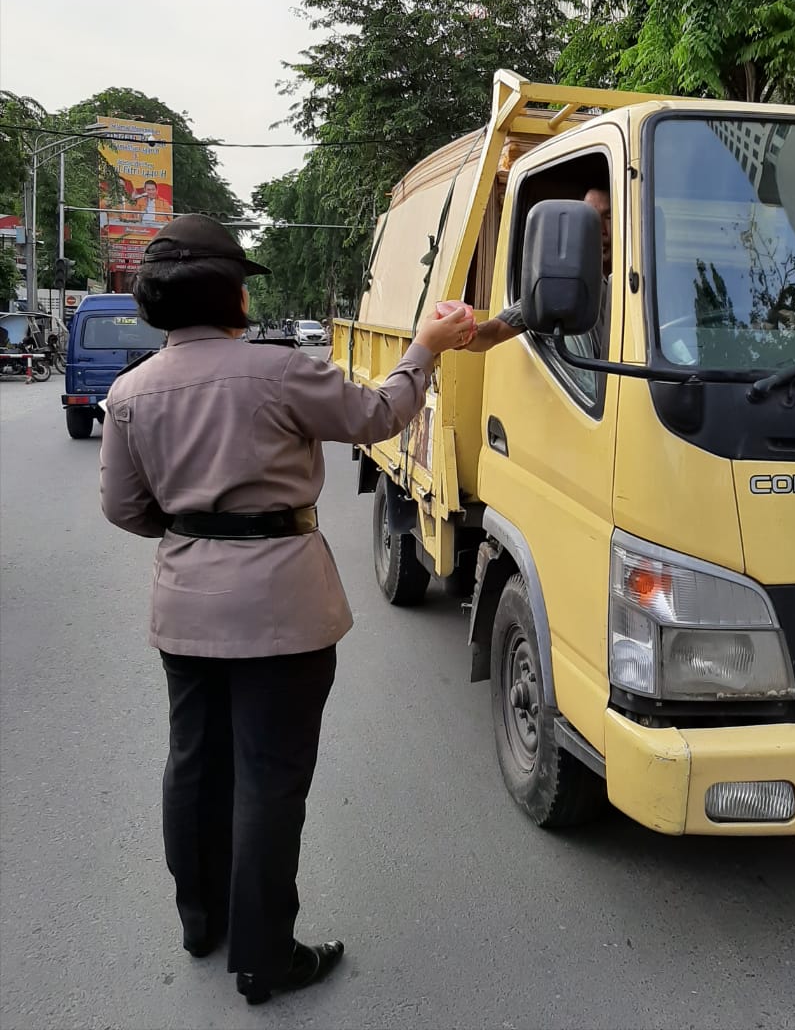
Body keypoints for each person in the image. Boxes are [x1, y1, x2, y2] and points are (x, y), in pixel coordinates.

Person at [98, 214, 474, 1006]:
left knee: (193, 765)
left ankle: (202, 922)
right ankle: (266, 957)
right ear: (232, 296)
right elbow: (377, 418)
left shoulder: (128, 393)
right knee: (269, 780)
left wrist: (196, 530)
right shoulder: (278, 371)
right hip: (283, 609)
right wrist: (426, 349)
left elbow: (126, 510)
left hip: (185, 605)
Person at [464, 185, 612, 354]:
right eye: (591, 219)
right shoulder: (567, 286)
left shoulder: (640, 285)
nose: (600, 230)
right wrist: (466, 334)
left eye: (609, 217)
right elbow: (496, 331)